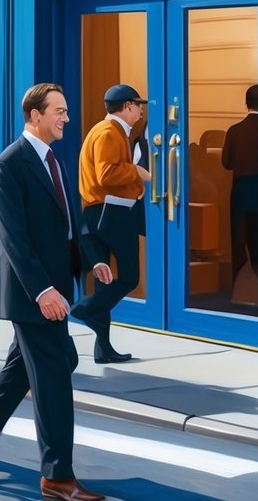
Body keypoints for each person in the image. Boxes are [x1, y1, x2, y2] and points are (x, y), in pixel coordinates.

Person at [0, 83, 109, 501]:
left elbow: (72, 223)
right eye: (59, 110)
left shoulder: (55, 160)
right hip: (30, 291)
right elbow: (14, 239)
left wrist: (92, 258)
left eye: (66, 110)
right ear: (35, 116)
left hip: (56, 282)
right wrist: (43, 292)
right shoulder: (9, 165)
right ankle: (57, 477)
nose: (66, 118)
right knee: (54, 372)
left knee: (31, 365)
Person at [70, 84, 151, 365]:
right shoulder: (108, 132)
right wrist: (137, 172)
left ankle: (102, 347)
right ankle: (85, 308)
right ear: (127, 106)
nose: (141, 110)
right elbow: (106, 174)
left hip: (99, 214)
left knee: (105, 285)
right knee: (129, 277)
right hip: (111, 214)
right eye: (138, 105)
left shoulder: (106, 131)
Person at [222, 84, 258, 281]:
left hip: (240, 190)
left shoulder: (234, 130)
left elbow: (226, 164)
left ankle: (238, 286)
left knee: (238, 240)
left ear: (246, 104)